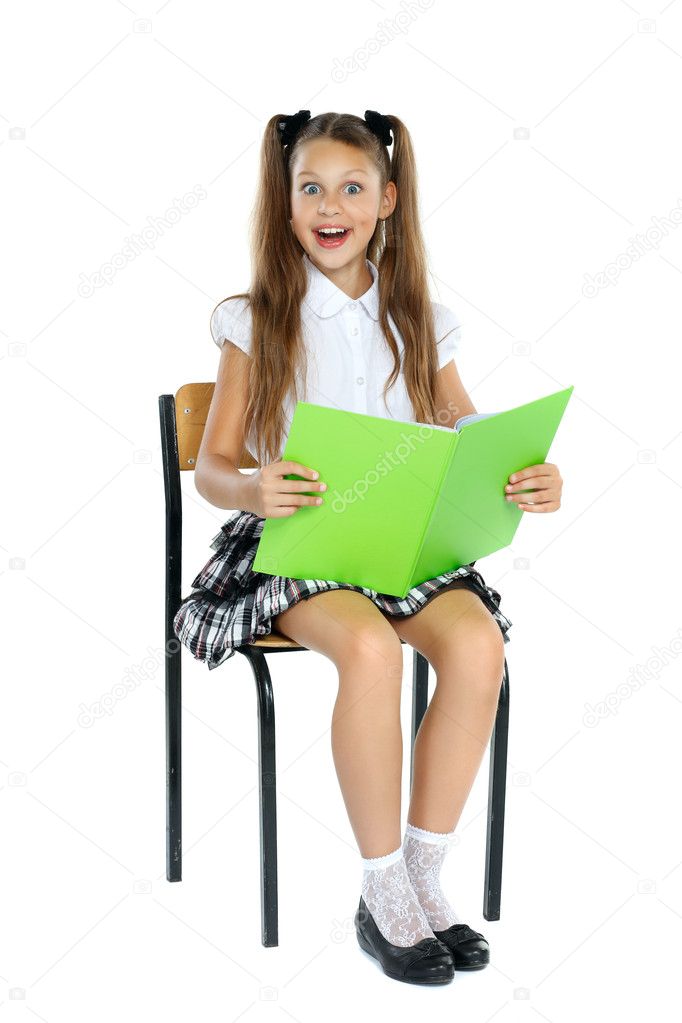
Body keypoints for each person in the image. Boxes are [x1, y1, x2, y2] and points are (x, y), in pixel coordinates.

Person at [173, 109, 564, 985]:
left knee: (477, 643)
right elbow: (215, 465)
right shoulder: (256, 318)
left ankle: (423, 875)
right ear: (285, 204)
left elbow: (465, 423)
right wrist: (251, 488)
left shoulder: (418, 315)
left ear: (387, 199)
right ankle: (382, 885)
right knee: (372, 648)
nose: (330, 204)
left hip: (404, 539)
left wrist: (524, 470)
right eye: (310, 187)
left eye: (353, 186)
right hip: (301, 540)